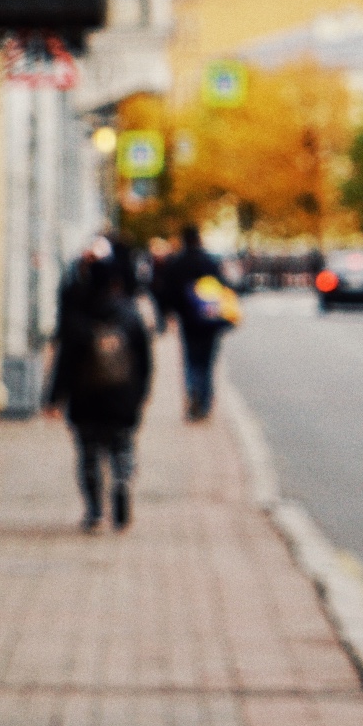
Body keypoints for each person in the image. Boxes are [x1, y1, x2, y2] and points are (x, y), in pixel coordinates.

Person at [45, 237, 153, 531]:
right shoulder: (130, 316)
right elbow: (144, 362)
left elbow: (64, 362)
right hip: (122, 397)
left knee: (88, 454)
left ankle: (94, 511)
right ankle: (121, 482)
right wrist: (140, 395)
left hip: (85, 399)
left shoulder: (77, 317)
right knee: (122, 446)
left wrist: (53, 399)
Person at [163, 223, 229, 420]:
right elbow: (222, 287)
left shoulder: (177, 262)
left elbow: (169, 291)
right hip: (209, 320)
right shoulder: (208, 261)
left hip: (187, 321)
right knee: (207, 363)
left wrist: (172, 312)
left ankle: (193, 393)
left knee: (191, 360)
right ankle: (205, 401)